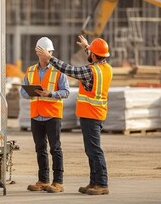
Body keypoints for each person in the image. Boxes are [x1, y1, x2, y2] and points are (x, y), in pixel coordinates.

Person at [35, 35, 112, 195]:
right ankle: (94, 182)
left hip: (91, 114)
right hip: (96, 114)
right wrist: (87, 46)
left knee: (95, 151)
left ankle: (102, 183)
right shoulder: (106, 68)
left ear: (94, 55)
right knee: (91, 150)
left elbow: (70, 70)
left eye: (90, 52)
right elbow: (95, 57)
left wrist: (51, 58)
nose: (88, 54)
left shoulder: (90, 72)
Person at [21, 37, 70, 193]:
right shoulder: (30, 71)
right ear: (37, 52)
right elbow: (22, 91)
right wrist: (29, 93)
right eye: (42, 51)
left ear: (50, 53)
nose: (46, 54)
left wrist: (51, 94)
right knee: (40, 148)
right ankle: (43, 180)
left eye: (48, 52)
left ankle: (58, 182)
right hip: (36, 115)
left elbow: (66, 92)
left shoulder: (58, 71)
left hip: (52, 115)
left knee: (55, 149)